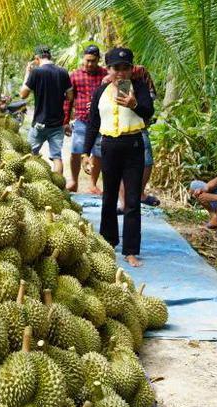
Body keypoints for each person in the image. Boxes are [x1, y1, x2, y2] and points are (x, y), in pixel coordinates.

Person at [82, 47, 155, 267]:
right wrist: (86, 153)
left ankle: (130, 250)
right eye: (116, 68)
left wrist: (135, 104)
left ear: (132, 69)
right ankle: (108, 243)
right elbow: (93, 122)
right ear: (109, 69)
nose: (121, 73)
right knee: (109, 197)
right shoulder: (101, 91)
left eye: (125, 68)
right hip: (109, 147)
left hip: (132, 145)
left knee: (132, 200)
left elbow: (148, 111)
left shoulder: (139, 88)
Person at [20, 45, 74, 175]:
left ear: (37, 59)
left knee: (29, 155)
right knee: (57, 157)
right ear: (50, 56)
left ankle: (30, 183)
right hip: (57, 124)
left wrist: (28, 73)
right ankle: (59, 188)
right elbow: (70, 97)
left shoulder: (36, 72)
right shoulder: (63, 72)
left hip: (39, 123)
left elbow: (23, 94)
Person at [63, 44, 106, 193]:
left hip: (102, 121)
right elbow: (68, 100)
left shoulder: (105, 74)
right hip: (82, 120)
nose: (90, 64)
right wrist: (65, 121)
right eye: (87, 60)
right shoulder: (74, 76)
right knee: (76, 151)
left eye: (93, 61)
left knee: (98, 152)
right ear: (83, 58)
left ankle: (93, 184)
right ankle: (74, 181)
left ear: (98, 60)